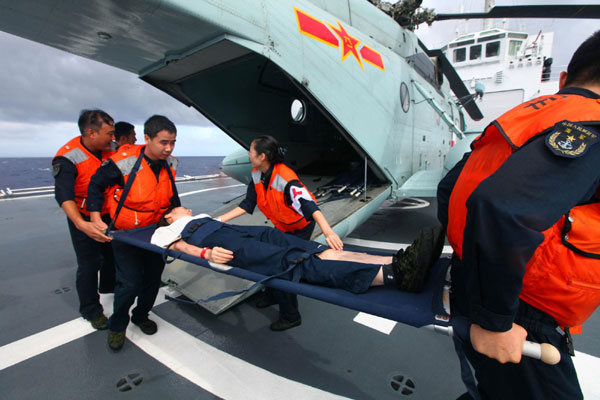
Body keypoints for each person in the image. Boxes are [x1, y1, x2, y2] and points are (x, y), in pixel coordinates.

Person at [437, 31, 600, 400]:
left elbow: (450, 187)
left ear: (563, 81)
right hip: (521, 311)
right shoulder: (592, 127)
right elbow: (501, 206)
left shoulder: (523, 117)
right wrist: (495, 321)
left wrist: (470, 267)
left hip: (480, 283)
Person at [151, 207, 443, 297]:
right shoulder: (167, 229)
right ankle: (396, 275)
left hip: (241, 232)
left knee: (317, 250)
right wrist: (205, 255)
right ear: (169, 216)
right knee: (296, 263)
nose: (186, 209)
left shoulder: (197, 215)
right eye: (180, 208)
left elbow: (225, 217)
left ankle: (397, 260)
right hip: (224, 244)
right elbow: (176, 247)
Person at [217, 135, 343, 331]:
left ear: (263, 156)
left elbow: (309, 205)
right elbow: (247, 204)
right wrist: (219, 220)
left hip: (299, 228)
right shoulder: (257, 174)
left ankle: (291, 316)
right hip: (282, 227)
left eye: (251, 151)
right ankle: (273, 295)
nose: (248, 154)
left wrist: (328, 232)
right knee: (269, 259)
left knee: (285, 268)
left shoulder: (286, 179)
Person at [88, 115, 180, 352]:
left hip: (155, 234)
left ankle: (141, 316)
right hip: (126, 234)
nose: (168, 148)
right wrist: (96, 218)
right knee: (129, 284)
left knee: (152, 280)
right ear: (147, 138)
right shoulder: (125, 161)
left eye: (172, 143)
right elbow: (96, 185)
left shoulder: (170, 164)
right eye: (163, 142)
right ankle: (118, 326)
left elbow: (173, 198)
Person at [52, 109, 116, 330]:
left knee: (114, 257)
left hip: (109, 216)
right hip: (83, 218)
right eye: (109, 133)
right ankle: (91, 310)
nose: (113, 138)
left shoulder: (111, 150)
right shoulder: (68, 157)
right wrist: (82, 224)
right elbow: (63, 194)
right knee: (89, 265)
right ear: (91, 133)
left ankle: (110, 288)